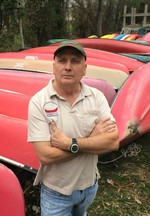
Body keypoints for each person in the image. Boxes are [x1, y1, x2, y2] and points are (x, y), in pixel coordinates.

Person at [27, 40, 119, 216]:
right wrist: (92, 139)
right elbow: (45, 156)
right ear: (54, 67)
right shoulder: (38, 102)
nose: (68, 67)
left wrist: (69, 143)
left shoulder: (97, 97)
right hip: (56, 193)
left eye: (75, 61)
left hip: (89, 187)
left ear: (84, 68)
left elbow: (113, 142)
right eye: (62, 60)